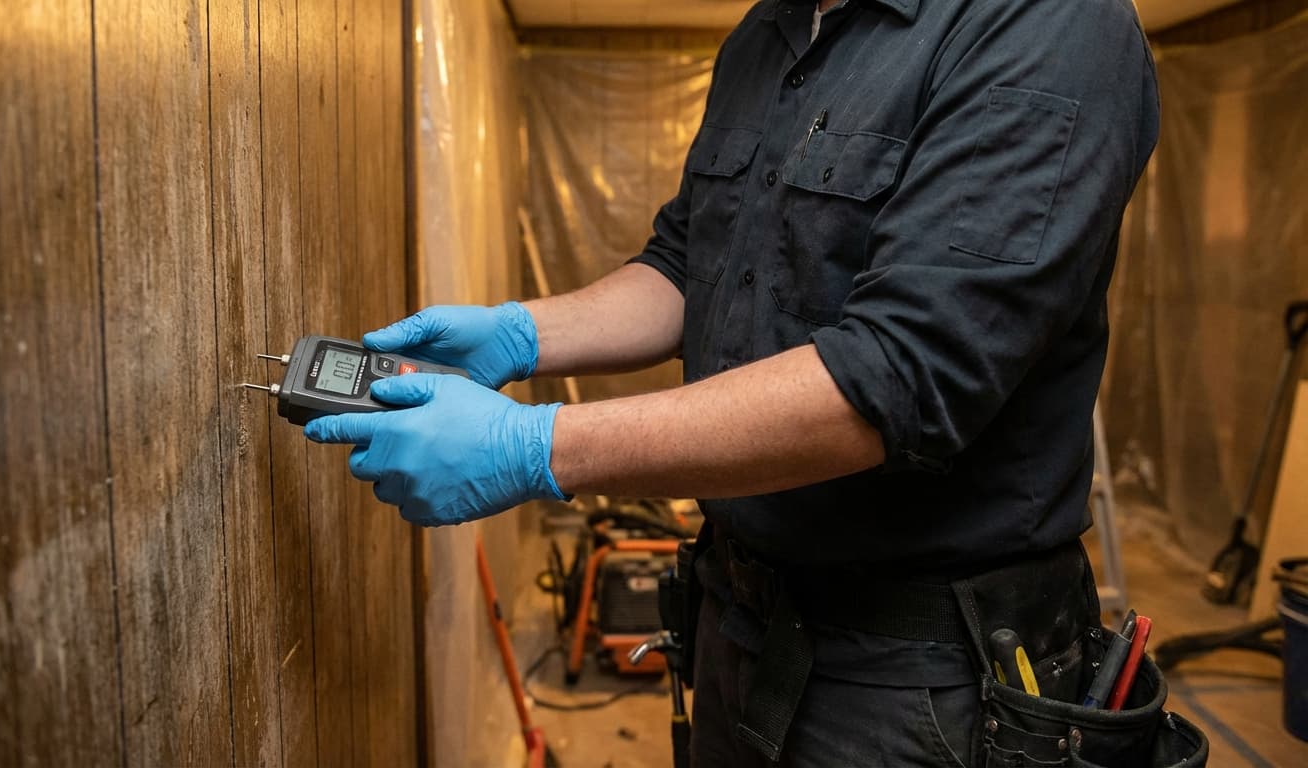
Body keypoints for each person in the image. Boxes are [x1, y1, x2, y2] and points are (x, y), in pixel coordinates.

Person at [305, 0, 1161, 764]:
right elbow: (687, 265)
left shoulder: (1046, 23)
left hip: (924, 683)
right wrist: (525, 333)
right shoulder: (765, 35)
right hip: (738, 625)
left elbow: (901, 375)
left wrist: (539, 447)